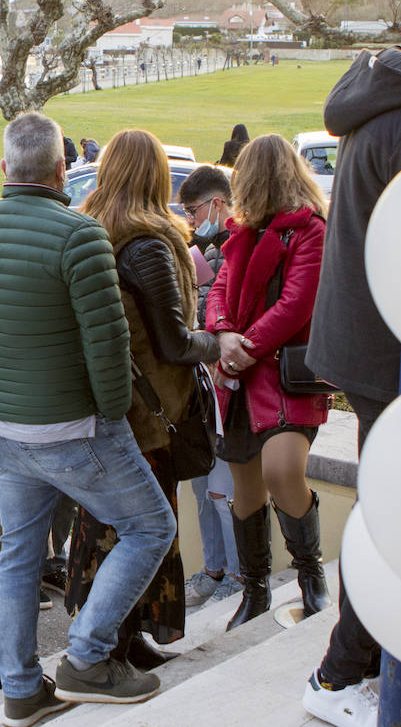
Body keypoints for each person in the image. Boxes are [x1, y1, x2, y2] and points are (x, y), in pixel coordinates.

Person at [0, 111, 176, 718]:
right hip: (74, 427)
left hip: (2, 427)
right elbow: (109, 347)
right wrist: (108, 417)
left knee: (20, 556)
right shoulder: (79, 236)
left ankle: (21, 690)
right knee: (152, 527)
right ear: (59, 169)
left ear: (3, 166)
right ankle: (86, 658)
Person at [300, 47, 401, 724]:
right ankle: (338, 677)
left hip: (369, 347)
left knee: (393, 509)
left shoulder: (386, 113)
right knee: (394, 517)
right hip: (388, 353)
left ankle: (388, 663)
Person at [68, 129, 221, 669]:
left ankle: (118, 635)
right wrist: (220, 343)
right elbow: (175, 342)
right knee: (142, 530)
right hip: (148, 413)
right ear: (157, 175)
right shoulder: (149, 242)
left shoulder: (90, 231)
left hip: (103, 407)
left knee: (106, 525)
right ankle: (113, 641)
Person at [205, 133, 329, 631]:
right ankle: (254, 589)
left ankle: (310, 575)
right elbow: (218, 289)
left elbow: (297, 303)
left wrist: (243, 347)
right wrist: (223, 333)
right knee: (246, 489)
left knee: (281, 473)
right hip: (239, 375)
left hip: (282, 376)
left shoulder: (309, 230)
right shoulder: (242, 232)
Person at [175, 165, 243, 608]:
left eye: (194, 211)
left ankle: (237, 576)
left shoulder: (236, 245)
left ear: (216, 203)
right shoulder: (202, 247)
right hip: (204, 392)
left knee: (222, 492)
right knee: (203, 489)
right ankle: (214, 569)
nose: (192, 221)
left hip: (229, 390)